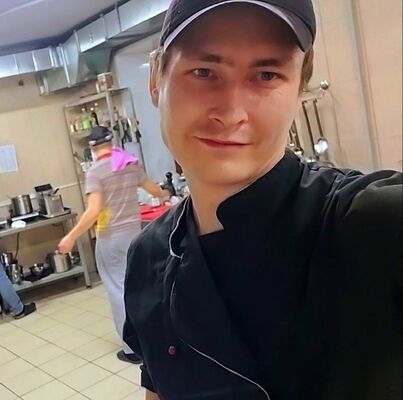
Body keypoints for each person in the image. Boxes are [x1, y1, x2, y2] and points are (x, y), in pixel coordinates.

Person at [123, 1, 402, 399]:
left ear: (299, 89)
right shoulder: (147, 257)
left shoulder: (367, 224)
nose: (231, 112)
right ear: (156, 80)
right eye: (204, 72)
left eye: (266, 75)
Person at [58, 126, 168, 364]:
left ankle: (131, 348)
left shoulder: (95, 172)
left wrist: (71, 237)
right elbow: (153, 189)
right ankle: (151, 337)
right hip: (135, 235)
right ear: (112, 141)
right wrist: (165, 195)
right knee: (139, 286)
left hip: (110, 238)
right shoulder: (129, 163)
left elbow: (94, 210)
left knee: (118, 290)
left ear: (91, 148)